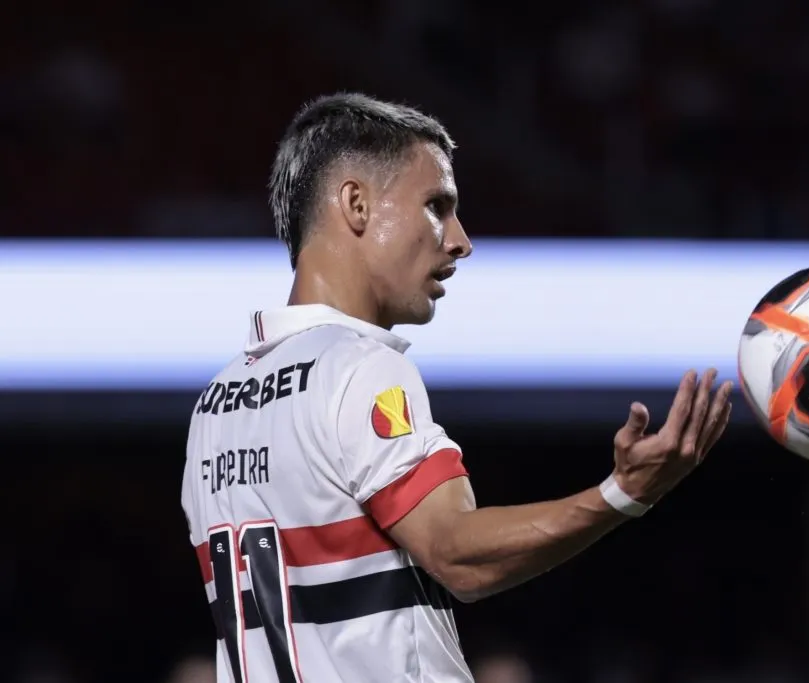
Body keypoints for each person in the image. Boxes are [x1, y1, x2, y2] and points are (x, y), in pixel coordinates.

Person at [181, 92, 733, 683]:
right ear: (357, 204)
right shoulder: (359, 368)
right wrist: (622, 494)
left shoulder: (214, 406)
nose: (460, 239)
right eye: (436, 206)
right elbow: (456, 554)